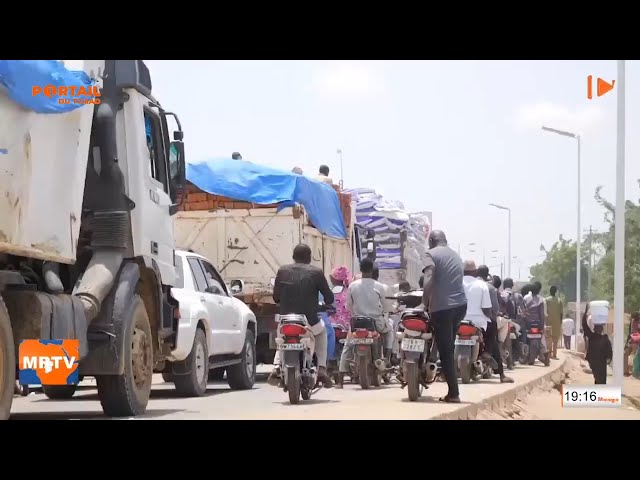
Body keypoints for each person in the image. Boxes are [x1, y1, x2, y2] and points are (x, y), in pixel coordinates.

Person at [269, 244, 334, 388]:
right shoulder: (316, 272)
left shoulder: (282, 271)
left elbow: (276, 298)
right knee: (322, 334)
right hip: (309, 321)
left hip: (286, 319)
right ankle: (322, 369)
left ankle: (276, 367)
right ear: (310, 258)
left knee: (282, 341)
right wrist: (323, 304)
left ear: (293, 256)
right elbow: (329, 298)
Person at [421, 230, 467, 403]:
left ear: (431, 241)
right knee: (448, 346)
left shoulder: (430, 254)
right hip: (460, 306)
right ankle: (451, 386)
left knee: (446, 351)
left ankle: (453, 394)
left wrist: (424, 302)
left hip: (442, 308)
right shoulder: (456, 255)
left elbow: (429, 277)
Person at [335, 258, 391, 388]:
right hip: (376, 323)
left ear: (360, 270)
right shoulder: (380, 286)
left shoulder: (353, 285)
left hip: (357, 323)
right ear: (372, 270)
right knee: (389, 332)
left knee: (348, 346)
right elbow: (386, 306)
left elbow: (349, 306)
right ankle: (388, 359)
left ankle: (341, 379)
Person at [477, 266, 513, 383]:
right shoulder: (490, 288)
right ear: (487, 275)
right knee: (493, 339)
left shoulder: (467, 285)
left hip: (464, 319)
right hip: (484, 321)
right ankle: (501, 374)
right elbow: (495, 308)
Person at [582, 304, 612, 384]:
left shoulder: (599, 337)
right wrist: (585, 313)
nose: (598, 329)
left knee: (599, 379)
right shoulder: (600, 338)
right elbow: (585, 326)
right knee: (600, 379)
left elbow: (609, 350)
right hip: (598, 362)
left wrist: (609, 357)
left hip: (597, 362)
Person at [329, 266, 351, 330]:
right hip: (347, 324)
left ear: (335, 278)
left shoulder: (332, 291)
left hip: (333, 324)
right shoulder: (348, 290)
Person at [545, 286, 564, 359]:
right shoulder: (559, 301)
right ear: (556, 292)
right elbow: (561, 313)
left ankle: (549, 353)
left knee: (548, 338)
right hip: (557, 322)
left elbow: (545, 311)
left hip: (548, 321)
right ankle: (554, 354)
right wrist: (560, 322)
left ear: (550, 291)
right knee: (555, 339)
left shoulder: (546, 300)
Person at [624, 312, 640, 376]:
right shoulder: (634, 321)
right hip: (634, 341)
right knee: (633, 356)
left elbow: (630, 332)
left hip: (634, 341)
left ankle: (627, 371)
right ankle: (628, 371)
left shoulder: (633, 321)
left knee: (627, 355)